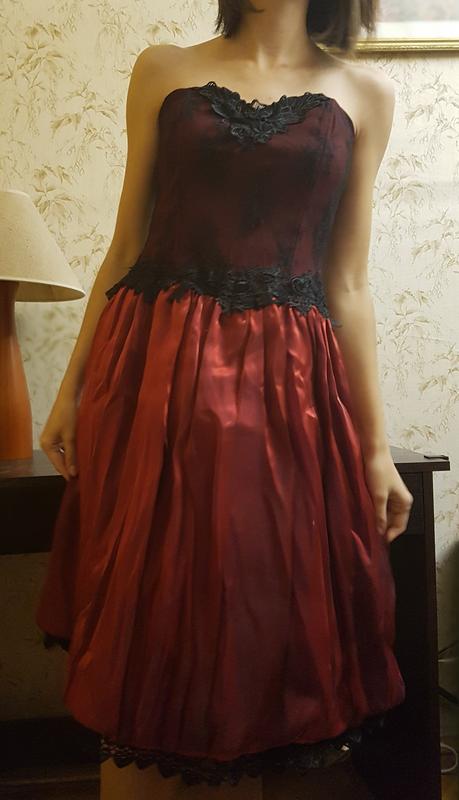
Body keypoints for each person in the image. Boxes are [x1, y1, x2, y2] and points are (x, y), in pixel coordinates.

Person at [36, 0, 414, 798]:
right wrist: (70, 390)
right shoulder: (163, 68)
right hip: (153, 372)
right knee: (150, 607)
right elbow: (125, 246)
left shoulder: (366, 94)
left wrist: (375, 449)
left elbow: (346, 283)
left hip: (287, 389)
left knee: (259, 611)